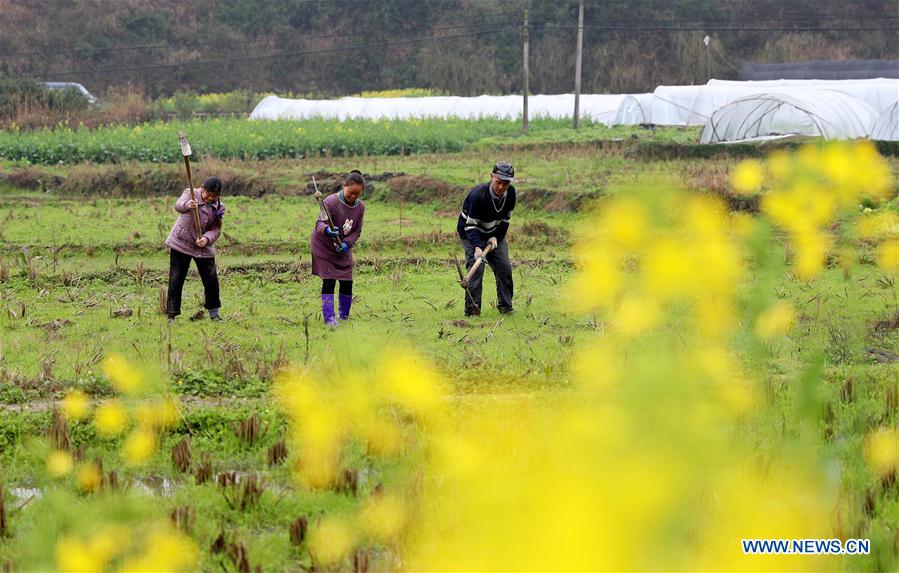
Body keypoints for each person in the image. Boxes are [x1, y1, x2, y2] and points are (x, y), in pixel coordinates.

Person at [456, 161, 516, 317]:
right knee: (476, 272)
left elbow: (505, 221)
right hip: (471, 234)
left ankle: (506, 308)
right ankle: (472, 312)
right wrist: (477, 247)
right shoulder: (478, 195)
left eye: (506, 183)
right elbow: (470, 226)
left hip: (494, 234)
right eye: (498, 182)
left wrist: (496, 237)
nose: (502, 187)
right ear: (491, 177)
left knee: (504, 267)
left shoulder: (511, 194)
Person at [165, 176, 226, 322]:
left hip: (203, 247)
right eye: (208, 194)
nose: (210, 198)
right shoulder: (190, 193)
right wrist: (188, 205)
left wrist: (206, 238)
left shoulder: (219, 207)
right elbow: (178, 205)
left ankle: (214, 314)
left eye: (214, 196)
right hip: (181, 243)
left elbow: (216, 229)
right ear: (203, 188)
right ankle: (172, 315)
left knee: (211, 279)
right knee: (176, 278)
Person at [311, 170, 366, 326]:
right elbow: (319, 224)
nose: (353, 197)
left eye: (357, 194)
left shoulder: (360, 208)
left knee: (347, 281)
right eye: (351, 193)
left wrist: (347, 243)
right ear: (344, 187)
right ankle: (329, 319)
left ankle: (344, 316)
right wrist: (327, 231)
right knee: (329, 280)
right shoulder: (331, 202)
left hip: (341, 248)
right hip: (324, 246)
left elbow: (356, 230)